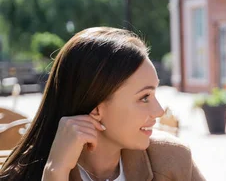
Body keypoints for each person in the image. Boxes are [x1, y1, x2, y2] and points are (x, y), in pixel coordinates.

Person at [0, 27, 206, 181]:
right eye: (144, 97)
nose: (159, 111)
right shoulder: (22, 175)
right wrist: (55, 172)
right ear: (96, 109)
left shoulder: (173, 159)